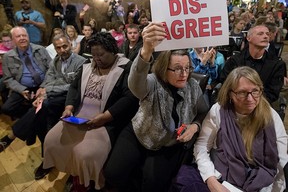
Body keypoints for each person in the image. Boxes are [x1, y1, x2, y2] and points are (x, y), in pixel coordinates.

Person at [104, 22, 209, 192]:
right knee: (113, 174)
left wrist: (195, 127)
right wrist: (146, 50)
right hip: (140, 133)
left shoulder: (192, 87)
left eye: (187, 68)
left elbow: (204, 112)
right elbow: (135, 84)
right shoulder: (153, 81)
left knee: (153, 185)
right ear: (163, 68)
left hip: (168, 142)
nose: (184, 74)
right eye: (176, 69)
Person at [42, 32, 139, 191]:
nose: (96, 59)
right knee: (52, 140)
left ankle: (89, 180)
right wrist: (69, 107)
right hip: (79, 115)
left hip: (106, 119)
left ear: (113, 51)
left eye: (101, 55)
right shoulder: (88, 63)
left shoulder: (126, 66)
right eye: (94, 55)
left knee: (84, 153)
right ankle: (75, 173)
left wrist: (105, 117)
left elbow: (129, 98)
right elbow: (74, 87)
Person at [0, 34, 87, 180]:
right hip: (53, 97)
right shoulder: (56, 61)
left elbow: (74, 86)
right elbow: (48, 77)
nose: (62, 50)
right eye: (58, 48)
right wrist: (42, 90)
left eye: (65, 46)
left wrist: (46, 92)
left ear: (70, 45)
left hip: (70, 98)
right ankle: (47, 160)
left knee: (43, 106)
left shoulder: (82, 62)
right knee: (42, 120)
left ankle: (11, 137)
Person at [193, 66, 288, 192]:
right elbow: (202, 146)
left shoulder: (270, 116)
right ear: (230, 94)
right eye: (242, 93)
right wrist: (210, 179)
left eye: (255, 91)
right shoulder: (219, 111)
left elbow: (281, 159)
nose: (250, 99)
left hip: (261, 181)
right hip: (224, 177)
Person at [220, 24, 286, 104]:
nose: (266, 36)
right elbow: (226, 84)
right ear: (248, 38)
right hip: (235, 104)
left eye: (267, 34)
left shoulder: (277, 65)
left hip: (261, 106)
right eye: (260, 34)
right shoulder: (234, 61)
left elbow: (272, 93)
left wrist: (251, 102)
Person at [2, 26, 51, 119]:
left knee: (46, 105)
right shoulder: (8, 57)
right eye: (18, 36)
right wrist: (22, 90)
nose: (22, 38)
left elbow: (52, 69)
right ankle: (28, 116)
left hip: (43, 84)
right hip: (23, 88)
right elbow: (8, 79)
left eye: (24, 35)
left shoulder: (40, 49)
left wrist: (43, 86)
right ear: (13, 40)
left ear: (28, 36)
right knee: (7, 108)